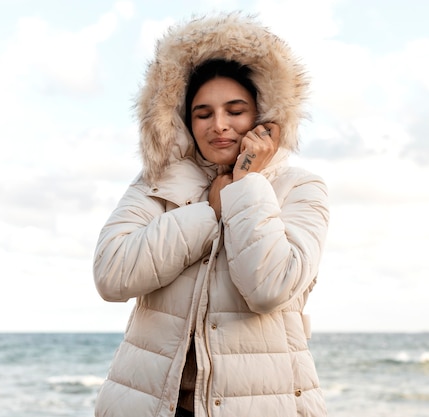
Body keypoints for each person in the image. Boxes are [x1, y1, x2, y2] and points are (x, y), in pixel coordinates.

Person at [93, 12, 330, 417]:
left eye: (235, 111)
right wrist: (208, 214)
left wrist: (246, 186)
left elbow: (270, 287)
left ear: (263, 116)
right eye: (203, 113)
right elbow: (111, 275)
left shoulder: (300, 189)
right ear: (185, 121)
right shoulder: (156, 183)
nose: (219, 126)